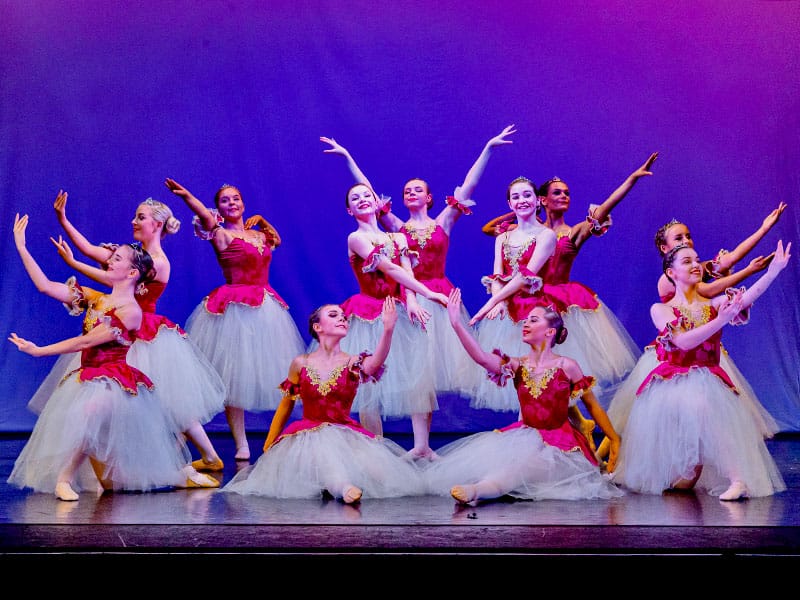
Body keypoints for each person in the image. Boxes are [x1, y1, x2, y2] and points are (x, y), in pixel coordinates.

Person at [8, 214, 217, 501]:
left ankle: (64, 479)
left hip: (114, 382)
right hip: (89, 375)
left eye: (117, 258)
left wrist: (39, 350)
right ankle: (178, 475)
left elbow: (86, 341)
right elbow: (46, 286)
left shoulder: (131, 312)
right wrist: (21, 247)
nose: (110, 261)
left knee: (91, 411)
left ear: (132, 273)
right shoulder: (97, 298)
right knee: (115, 482)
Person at [321, 125, 516, 402]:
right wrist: (348, 157)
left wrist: (488, 149)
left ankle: (425, 428)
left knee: (435, 366)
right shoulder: (397, 228)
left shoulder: (443, 222)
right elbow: (368, 193)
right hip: (408, 295)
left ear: (429, 197)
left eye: (417, 190)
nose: (411, 193)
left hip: (439, 294)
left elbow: (468, 186)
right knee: (413, 368)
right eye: (407, 191)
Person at [42, 190, 228, 473]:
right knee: (128, 398)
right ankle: (123, 461)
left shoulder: (157, 262)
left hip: (144, 333)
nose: (134, 221)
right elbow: (90, 249)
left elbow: (108, 277)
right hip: (120, 330)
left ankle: (209, 455)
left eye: (141, 217)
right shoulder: (132, 254)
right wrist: (63, 220)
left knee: (169, 398)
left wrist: (73, 265)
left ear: (157, 224)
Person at [598, 208, 786, 461]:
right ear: (664, 249)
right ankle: (606, 456)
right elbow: (710, 289)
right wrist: (749, 271)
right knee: (635, 412)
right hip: (673, 352)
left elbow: (731, 257)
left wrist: (763, 229)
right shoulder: (669, 278)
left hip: (703, 347)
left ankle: (701, 465)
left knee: (708, 415)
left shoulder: (694, 266)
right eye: (678, 238)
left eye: (688, 236)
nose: (686, 241)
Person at [611, 240, 791, 500]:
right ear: (671, 273)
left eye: (697, 260)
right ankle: (692, 467)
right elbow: (684, 342)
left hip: (706, 377)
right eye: (687, 261)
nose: (696, 265)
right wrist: (721, 320)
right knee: (680, 482)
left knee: (702, 406)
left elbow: (745, 298)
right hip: (672, 382)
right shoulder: (661, 309)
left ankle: (738, 479)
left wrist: (772, 272)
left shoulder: (713, 304)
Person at [481, 154, 658, 409]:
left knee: (561, 368)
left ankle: (571, 421)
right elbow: (488, 229)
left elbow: (605, 208)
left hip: (562, 303)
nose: (564, 196)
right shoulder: (531, 230)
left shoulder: (574, 231)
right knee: (532, 369)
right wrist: (521, 206)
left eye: (567, 193)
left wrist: (631, 179)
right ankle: (549, 420)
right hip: (527, 302)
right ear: (543, 199)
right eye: (557, 192)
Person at [422, 288, 623, 505]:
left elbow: (593, 406)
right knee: (508, 464)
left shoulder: (567, 366)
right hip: (523, 437)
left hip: (560, 447)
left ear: (550, 332)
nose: (525, 324)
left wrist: (613, 438)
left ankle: (478, 491)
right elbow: (481, 358)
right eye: (526, 320)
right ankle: (486, 487)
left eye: (533, 320)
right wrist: (456, 324)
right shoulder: (517, 365)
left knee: (522, 467)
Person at [220, 297, 426, 503]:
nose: (342, 319)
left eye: (344, 317)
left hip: (345, 434)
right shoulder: (301, 363)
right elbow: (285, 406)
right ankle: (343, 488)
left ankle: (343, 485)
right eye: (333, 315)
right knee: (326, 460)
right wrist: (269, 445)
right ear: (318, 327)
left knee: (383, 477)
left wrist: (388, 329)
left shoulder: (352, 362)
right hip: (307, 437)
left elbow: (374, 364)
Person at [164, 178, 306, 462]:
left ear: (243, 202)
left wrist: (262, 220)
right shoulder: (221, 234)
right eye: (225, 200)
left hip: (264, 306)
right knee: (232, 377)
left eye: (235, 198)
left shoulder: (258, 235)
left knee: (270, 374)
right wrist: (187, 196)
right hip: (233, 308)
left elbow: (277, 240)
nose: (231, 203)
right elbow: (204, 216)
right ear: (218, 208)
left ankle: (275, 437)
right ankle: (239, 443)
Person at [333, 182, 450, 460]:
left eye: (367, 195)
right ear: (349, 210)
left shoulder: (398, 238)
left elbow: (406, 272)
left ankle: (421, 446)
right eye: (355, 198)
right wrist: (429, 292)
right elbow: (390, 268)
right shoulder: (355, 238)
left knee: (417, 374)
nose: (362, 199)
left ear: (377, 203)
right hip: (368, 312)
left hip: (397, 309)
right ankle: (375, 452)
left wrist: (412, 300)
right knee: (369, 383)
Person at [467, 176, 558, 412]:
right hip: (509, 310)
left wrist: (492, 302)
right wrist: (499, 303)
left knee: (538, 375)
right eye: (516, 197)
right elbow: (497, 274)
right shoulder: (502, 237)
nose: (522, 200)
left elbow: (525, 276)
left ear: (538, 200)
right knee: (516, 374)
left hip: (536, 310)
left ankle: (544, 425)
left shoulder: (546, 235)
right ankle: (525, 425)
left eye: (527, 195)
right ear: (509, 204)